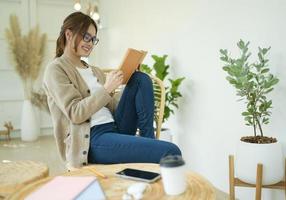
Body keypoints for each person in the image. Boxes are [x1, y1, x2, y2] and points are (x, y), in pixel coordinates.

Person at [43, 12, 181, 169]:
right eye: (86, 37)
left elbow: (113, 107)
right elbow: (75, 113)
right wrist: (107, 88)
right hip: (92, 139)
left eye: (94, 39)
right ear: (69, 34)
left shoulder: (95, 71)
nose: (90, 43)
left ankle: (148, 140)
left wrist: (130, 87)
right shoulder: (56, 69)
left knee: (140, 79)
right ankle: (151, 155)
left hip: (116, 127)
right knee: (171, 151)